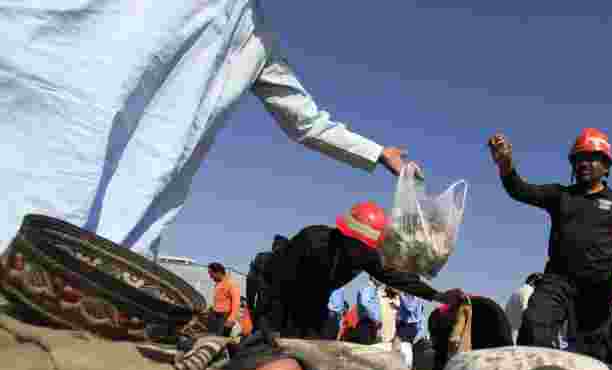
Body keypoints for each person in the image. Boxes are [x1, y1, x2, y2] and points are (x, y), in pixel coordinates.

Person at [1, 0, 415, 254]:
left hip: (117, 219)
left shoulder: (256, 44)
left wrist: (377, 153)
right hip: (38, 152)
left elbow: (307, 122)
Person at [487, 129, 612, 361]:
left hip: (598, 288)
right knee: (534, 328)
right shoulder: (560, 195)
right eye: (578, 159)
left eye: (591, 158)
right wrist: (505, 164)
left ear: (606, 167)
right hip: (558, 280)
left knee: (594, 353)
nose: (584, 163)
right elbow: (520, 190)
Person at [258, 201, 463, 340]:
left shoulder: (366, 254)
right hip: (277, 289)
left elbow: (397, 278)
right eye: (358, 247)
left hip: (314, 301)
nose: (362, 254)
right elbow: (278, 279)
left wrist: (438, 295)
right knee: (271, 343)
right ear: (345, 235)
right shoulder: (312, 240)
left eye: (366, 248)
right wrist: (271, 324)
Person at [248, 235, 289, 319]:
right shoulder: (291, 263)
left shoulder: (261, 258)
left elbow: (250, 282)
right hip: (283, 314)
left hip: (264, 310)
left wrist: (250, 306)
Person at [505, 273, 543, 344]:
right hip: (521, 339)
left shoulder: (516, 292)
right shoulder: (529, 291)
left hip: (512, 336)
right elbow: (527, 313)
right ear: (533, 281)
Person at [396, 293, 429, 369]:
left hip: (407, 326)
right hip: (407, 326)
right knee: (404, 347)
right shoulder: (416, 300)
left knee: (405, 347)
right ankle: (406, 366)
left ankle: (406, 367)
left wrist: (401, 296)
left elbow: (409, 307)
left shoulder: (414, 299)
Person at [208, 263, 241, 337]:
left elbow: (236, 303)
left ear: (218, 272)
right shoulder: (218, 284)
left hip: (224, 317)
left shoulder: (231, 283)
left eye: (211, 273)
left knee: (220, 339)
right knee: (212, 337)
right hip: (215, 315)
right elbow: (219, 300)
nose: (210, 276)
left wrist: (231, 319)